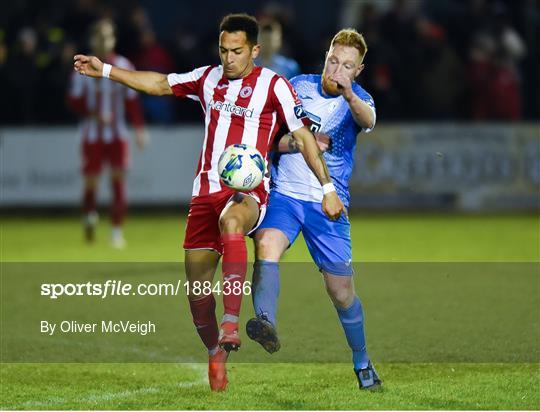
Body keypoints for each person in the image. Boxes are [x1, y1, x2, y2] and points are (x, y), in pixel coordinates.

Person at [73, 13, 345, 391]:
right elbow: (158, 84)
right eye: (223, 50)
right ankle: (216, 351)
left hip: (248, 190)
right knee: (198, 297)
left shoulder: (274, 86)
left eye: (236, 51)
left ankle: (232, 323)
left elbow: (301, 135)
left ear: (254, 50)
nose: (228, 58)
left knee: (232, 222)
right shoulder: (207, 78)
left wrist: (328, 188)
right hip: (204, 192)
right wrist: (105, 72)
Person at [246, 28, 382, 390]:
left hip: (328, 205)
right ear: (326, 56)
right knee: (266, 248)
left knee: (341, 292)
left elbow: (368, 120)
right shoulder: (296, 86)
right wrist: (293, 143)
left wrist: (350, 92)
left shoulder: (357, 100)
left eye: (347, 66)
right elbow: (269, 137)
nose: (337, 70)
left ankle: (362, 361)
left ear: (359, 70)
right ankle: (265, 321)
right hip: (284, 197)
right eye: (333, 61)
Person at [67, 18, 147, 248]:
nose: (103, 41)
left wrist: (140, 129)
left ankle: (116, 232)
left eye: (107, 36)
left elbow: (133, 101)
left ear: (113, 39)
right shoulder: (81, 66)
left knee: (118, 181)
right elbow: (72, 102)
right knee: (91, 181)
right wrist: (92, 113)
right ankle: (90, 215)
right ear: (92, 39)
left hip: (117, 135)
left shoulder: (123, 65)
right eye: (99, 36)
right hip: (91, 135)